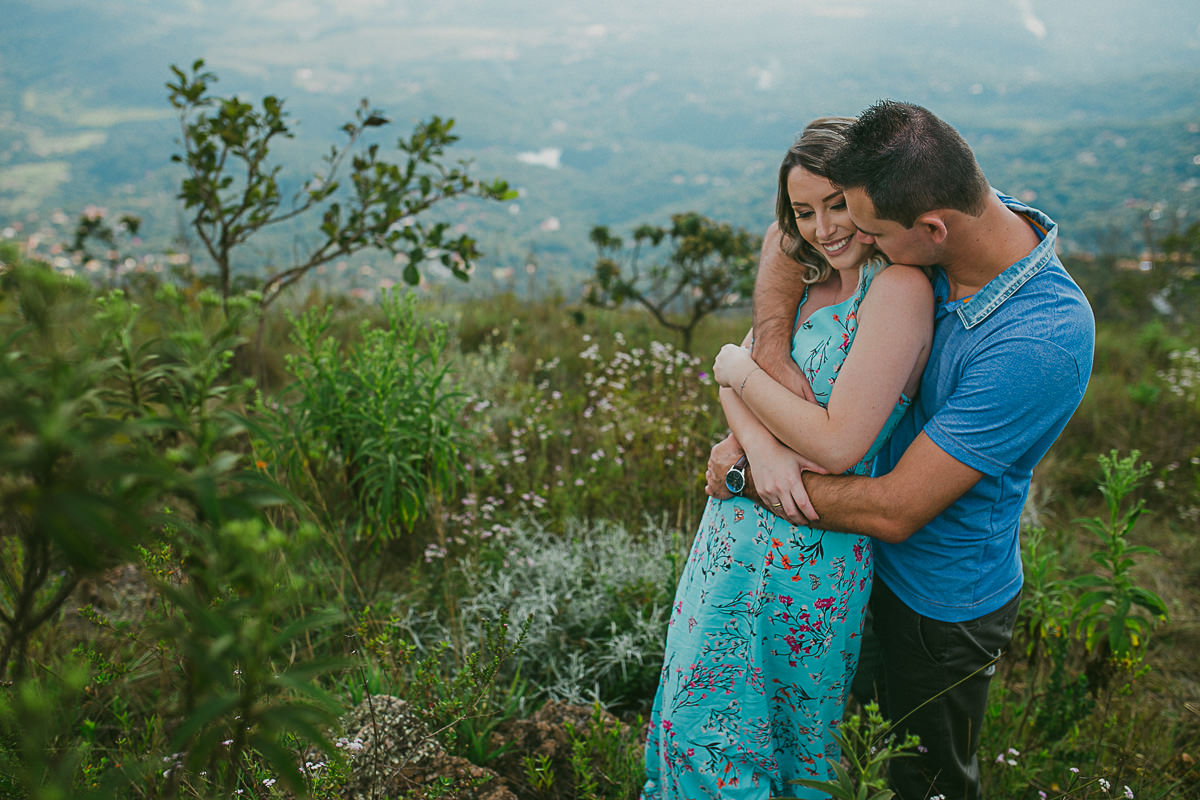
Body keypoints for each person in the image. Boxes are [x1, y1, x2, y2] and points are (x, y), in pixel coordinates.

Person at [711, 100, 1096, 800]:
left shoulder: (1041, 339)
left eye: (869, 231)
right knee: (828, 760)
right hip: (842, 564)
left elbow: (895, 510)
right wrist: (770, 341)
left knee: (920, 784)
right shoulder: (929, 205)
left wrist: (748, 473)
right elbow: (784, 237)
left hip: (936, 605)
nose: (851, 238)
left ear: (930, 230)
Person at [641, 117, 934, 799]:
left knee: (782, 743)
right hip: (728, 541)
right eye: (805, 212)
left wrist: (735, 369)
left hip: (809, 559)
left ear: (870, 196)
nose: (825, 228)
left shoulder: (897, 291)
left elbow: (836, 440)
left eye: (838, 205)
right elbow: (742, 375)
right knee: (695, 722)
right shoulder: (800, 277)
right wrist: (764, 452)